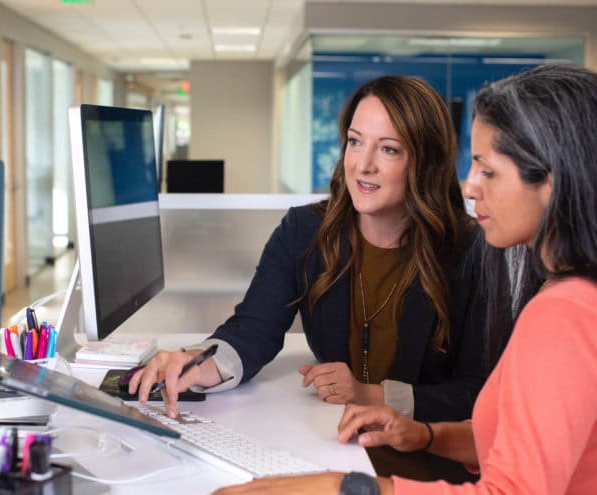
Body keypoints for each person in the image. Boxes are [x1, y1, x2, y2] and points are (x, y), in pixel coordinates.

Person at [212, 63, 597, 495]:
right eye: (355, 143)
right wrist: (424, 434)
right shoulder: (562, 294)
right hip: (372, 443)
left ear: (553, 181)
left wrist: (343, 487)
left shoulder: (561, 309)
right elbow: (513, 438)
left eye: (488, 170)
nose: (470, 187)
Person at [131, 76, 486, 433]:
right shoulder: (304, 231)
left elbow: (477, 391)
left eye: (388, 149)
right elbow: (253, 329)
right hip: (336, 437)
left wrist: (372, 395)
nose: (363, 165)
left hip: (427, 449)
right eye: (355, 142)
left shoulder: (469, 251)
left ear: (425, 162)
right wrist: (195, 363)